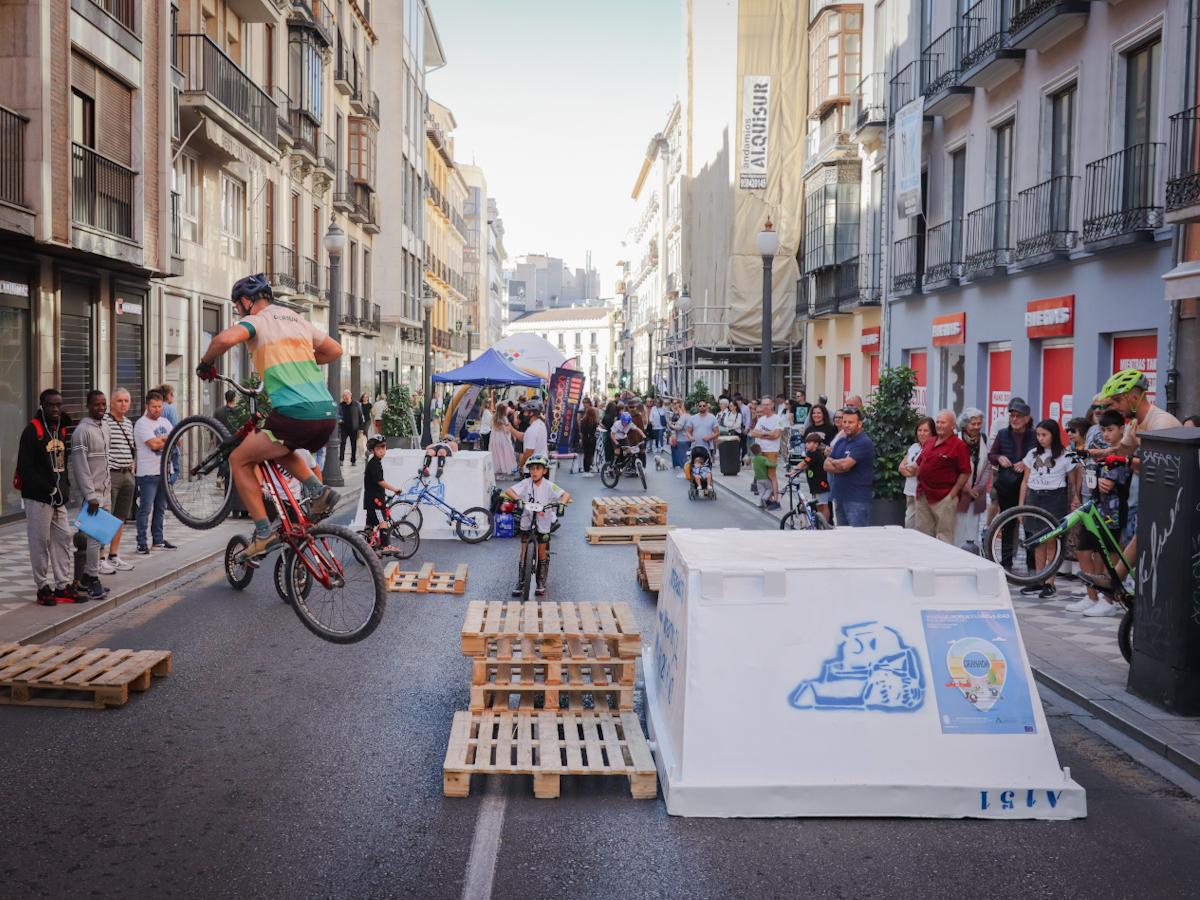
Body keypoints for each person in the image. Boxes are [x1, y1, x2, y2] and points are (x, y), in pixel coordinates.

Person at [196, 273, 340, 558]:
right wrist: (302, 360)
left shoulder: (257, 320)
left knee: (239, 458)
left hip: (295, 412)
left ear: (248, 301)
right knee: (274, 445)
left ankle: (263, 533)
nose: (238, 310)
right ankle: (316, 489)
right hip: (326, 412)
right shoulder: (295, 318)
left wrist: (205, 364)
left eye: (237, 305)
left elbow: (224, 339)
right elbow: (335, 350)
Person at [19, 389, 80, 605]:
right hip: (38, 497)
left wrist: (63, 489)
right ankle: (42, 587)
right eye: (51, 405)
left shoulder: (61, 430)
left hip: (58, 498)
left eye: (58, 405)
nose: (56, 409)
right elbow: (25, 469)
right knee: (40, 543)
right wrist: (48, 488)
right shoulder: (32, 431)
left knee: (63, 539)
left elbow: (63, 463)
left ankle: (62, 585)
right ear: (41, 405)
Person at [1067, 409, 1131, 617]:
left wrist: (1105, 479)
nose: (1106, 434)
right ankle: (1091, 595)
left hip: (1114, 510)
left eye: (1110, 430)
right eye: (1103, 430)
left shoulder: (1125, 451)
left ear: (1122, 429)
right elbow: (1093, 477)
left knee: (1110, 553)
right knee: (1083, 549)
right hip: (1094, 507)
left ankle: (1109, 600)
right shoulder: (1100, 450)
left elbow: (1112, 480)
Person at [1018, 418, 1079, 598]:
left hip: (1054, 498)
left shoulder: (1065, 455)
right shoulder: (1032, 454)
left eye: (1044, 435)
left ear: (1054, 435)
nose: (1041, 438)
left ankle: (1050, 582)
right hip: (1034, 497)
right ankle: (1039, 578)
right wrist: (1021, 506)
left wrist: (1075, 496)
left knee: (1052, 540)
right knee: (1037, 541)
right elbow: (1025, 481)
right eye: (1038, 435)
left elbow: (1073, 480)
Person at [503, 454, 570, 596]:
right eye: (532, 469)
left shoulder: (549, 485)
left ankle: (540, 581)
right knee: (523, 552)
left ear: (544, 471)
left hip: (543, 521)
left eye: (538, 468)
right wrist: (518, 500)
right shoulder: (526, 483)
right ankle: (521, 582)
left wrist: (562, 504)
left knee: (541, 552)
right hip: (527, 518)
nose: (534, 472)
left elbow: (565, 494)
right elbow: (509, 491)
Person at [69, 390, 113, 600]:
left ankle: (86, 577)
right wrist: (90, 495)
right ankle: (94, 579)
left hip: (105, 492)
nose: (101, 407)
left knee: (102, 537)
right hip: (93, 496)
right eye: (97, 404)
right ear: (88, 405)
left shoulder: (105, 426)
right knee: (94, 540)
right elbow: (80, 466)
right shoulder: (81, 431)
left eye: (104, 404)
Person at [988, 397, 1037, 569]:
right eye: (1012, 415)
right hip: (1007, 485)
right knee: (1008, 524)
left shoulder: (1034, 435)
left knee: (1030, 525)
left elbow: (1042, 455)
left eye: (1018, 416)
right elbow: (991, 455)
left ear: (1027, 418)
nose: (1014, 419)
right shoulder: (1002, 434)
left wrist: (1027, 462)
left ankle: (1032, 566)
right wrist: (999, 458)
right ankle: (1006, 563)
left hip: (1029, 486)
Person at [914, 409, 971, 545]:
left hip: (944, 497)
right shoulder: (929, 442)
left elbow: (965, 472)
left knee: (944, 537)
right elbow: (919, 463)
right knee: (922, 535)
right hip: (923, 495)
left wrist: (952, 494)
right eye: (938, 422)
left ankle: (943, 566)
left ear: (952, 425)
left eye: (943, 422)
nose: (939, 425)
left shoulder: (959, 446)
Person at [133, 389, 177, 554]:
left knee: (161, 508)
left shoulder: (165, 421)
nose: (157, 409)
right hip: (147, 473)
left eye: (159, 406)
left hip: (165, 471)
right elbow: (154, 445)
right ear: (147, 406)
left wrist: (162, 440)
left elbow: (177, 442)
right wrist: (167, 439)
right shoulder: (141, 423)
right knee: (145, 509)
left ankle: (158, 540)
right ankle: (141, 542)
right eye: (154, 406)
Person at [101, 387, 137, 574]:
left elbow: (130, 447)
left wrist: (132, 466)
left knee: (120, 518)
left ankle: (113, 555)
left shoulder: (129, 423)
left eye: (126, 401)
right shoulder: (104, 422)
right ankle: (99, 557)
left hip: (127, 475)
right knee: (104, 517)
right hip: (111, 474)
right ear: (111, 403)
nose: (123, 404)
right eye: (119, 401)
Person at [824, 406, 875, 527]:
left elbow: (845, 465)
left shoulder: (864, 442)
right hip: (840, 497)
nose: (846, 425)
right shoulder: (841, 441)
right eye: (844, 422)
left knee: (857, 539)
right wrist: (838, 463)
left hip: (857, 500)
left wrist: (834, 461)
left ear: (859, 424)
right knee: (843, 539)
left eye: (851, 422)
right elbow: (826, 465)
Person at [953, 408, 990, 551]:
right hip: (961, 489)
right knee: (958, 524)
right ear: (964, 424)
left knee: (974, 525)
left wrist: (980, 486)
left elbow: (987, 465)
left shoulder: (984, 439)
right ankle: (957, 552)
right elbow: (953, 466)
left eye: (978, 423)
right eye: (972, 424)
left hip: (977, 490)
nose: (976, 427)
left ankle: (972, 552)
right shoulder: (956, 438)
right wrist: (966, 487)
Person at [363, 437, 401, 547]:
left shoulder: (376, 462)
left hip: (373, 498)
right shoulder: (374, 464)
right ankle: (385, 546)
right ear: (372, 450)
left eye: (383, 447)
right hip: (375, 500)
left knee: (370, 524)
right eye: (378, 448)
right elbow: (380, 481)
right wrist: (394, 489)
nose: (382, 451)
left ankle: (366, 546)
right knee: (383, 522)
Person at [898, 417, 935, 529]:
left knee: (922, 525)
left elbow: (919, 470)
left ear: (932, 432)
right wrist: (910, 470)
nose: (922, 433)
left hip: (923, 493)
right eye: (920, 430)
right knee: (909, 522)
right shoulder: (914, 447)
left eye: (925, 430)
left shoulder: (932, 448)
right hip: (910, 491)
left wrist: (911, 470)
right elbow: (901, 467)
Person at [791, 431, 831, 521]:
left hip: (820, 484)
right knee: (820, 505)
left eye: (809, 443)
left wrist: (792, 471)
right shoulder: (811, 453)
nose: (806, 445)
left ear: (816, 444)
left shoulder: (814, 454)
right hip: (816, 484)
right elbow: (806, 465)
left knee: (821, 505)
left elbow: (803, 463)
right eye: (806, 443)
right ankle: (824, 523)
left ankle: (825, 524)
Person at [749, 398, 784, 503]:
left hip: (771, 451)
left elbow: (776, 435)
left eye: (768, 404)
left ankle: (775, 500)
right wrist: (768, 434)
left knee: (771, 475)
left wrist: (761, 435)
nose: (766, 407)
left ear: (772, 405)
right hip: (760, 451)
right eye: (764, 405)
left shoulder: (778, 419)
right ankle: (767, 498)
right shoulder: (761, 419)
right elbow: (753, 433)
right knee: (763, 476)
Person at [510, 399, 548, 470]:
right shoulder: (540, 424)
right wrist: (511, 429)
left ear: (531, 413)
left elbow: (529, 452)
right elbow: (524, 437)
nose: (523, 414)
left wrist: (520, 465)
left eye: (525, 412)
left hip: (533, 468)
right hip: (541, 465)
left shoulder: (532, 429)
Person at [489, 399, 519, 477]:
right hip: (503, 438)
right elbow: (507, 430)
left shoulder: (493, 418)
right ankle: (506, 467)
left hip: (494, 438)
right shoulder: (504, 419)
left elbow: (491, 427)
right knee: (506, 452)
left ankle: (498, 467)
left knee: (497, 453)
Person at [338, 389, 364, 465]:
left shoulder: (356, 404)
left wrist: (361, 429)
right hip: (344, 428)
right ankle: (341, 460)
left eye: (345, 396)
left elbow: (360, 416)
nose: (344, 397)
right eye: (343, 396)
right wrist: (339, 420)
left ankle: (353, 460)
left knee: (353, 445)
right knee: (342, 443)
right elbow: (338, 415)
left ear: (350, 396)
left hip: (354, 428)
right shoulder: (341, 405)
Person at [669, 400, 690, 472]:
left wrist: (671, 425)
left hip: (682, 439)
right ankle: (686, 471)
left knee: (683, 456)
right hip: (688, 438)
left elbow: (679, 427)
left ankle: (685, 471)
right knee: (686, 456)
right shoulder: (691, 416)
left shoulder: (684, 416)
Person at [579, 399, 600, 473]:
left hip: (585, 438)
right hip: (592, 438)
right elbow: (597, 428)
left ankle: (586, 469)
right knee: (590, 454)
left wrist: (581, 439)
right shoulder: (594, 422)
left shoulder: (583, 421)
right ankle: (589, 467)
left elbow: (581, 431)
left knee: (585, 454)